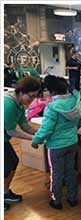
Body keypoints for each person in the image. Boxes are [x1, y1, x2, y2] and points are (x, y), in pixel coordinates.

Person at [31, 75, 81, 210]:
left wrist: (36, 140)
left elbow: (46, 129)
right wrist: (72, 130)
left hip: (56, 146)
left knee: (56, 173)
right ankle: (73, 199)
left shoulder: (52, 107)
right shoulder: (76, 102)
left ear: (52, 91)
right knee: (71, 171)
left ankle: (56, 201)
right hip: (72, 143)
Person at [4, 76, 42, 211]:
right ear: (21, 92)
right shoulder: (8, 104)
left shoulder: (19, 105)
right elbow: (12, 132)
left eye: (35, 97)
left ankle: (5, 192)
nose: (32, 101)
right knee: (6, 166)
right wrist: (34, 139)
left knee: (12, 162)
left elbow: (24, 125)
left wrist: (39, 133)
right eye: (30, 96)